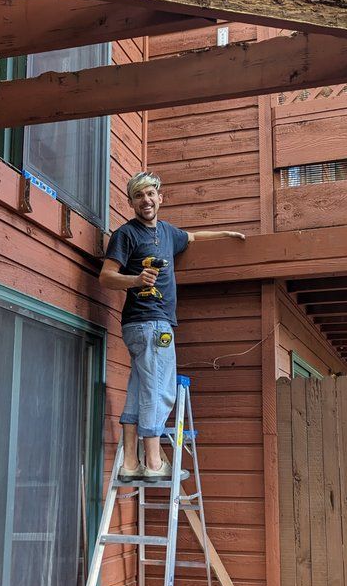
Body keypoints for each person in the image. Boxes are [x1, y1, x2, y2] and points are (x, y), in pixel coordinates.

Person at [100, 171, 245, 481]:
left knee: (140, 389)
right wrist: (136, 280)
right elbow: (106, 276)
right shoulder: (127, 234)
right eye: (139, 196)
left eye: (150, 194)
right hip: (150, 323)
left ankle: (129, 463)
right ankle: (153, 462)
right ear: (131, 202)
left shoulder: (167, 233)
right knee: (161, 391)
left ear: (160, 198)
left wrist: (228, 234)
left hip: (146, 327)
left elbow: (192, 237)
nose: (146, 200)